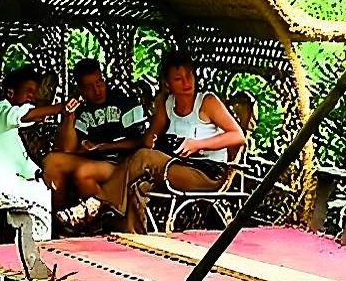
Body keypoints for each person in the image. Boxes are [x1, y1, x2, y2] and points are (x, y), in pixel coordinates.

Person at [56, 50, 245, 234]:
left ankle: (95, 204)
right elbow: (148, 140)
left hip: (207, 173)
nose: (187, 83)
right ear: (168, 83)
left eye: (189, 76)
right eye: (178, 79)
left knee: (144, 158)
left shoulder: (207, 102)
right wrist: (159, 110)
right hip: (175, 167)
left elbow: (238, 136)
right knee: (137, 187)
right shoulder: (168, 104)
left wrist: (197, 144)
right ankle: (131, 237)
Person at [0, 65, 79, 241]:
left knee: (40, 187)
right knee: (36, 192)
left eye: (35, 92)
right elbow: (22, 115)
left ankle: (34, 244)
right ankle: (36, 246)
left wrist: (39, 174)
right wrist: (60, 108)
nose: (32, 96)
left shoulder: (8, 129)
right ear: (10, 93)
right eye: (28, 91)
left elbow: (22, 161)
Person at [40, 58, 147, 212]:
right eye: (89, 87)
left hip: (121, 161)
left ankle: (110, 214)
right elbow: (68, 150)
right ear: (81, 89)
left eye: (99, 83)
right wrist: (70, 116)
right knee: (52, 161)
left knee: (83, 173)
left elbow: (140, 140)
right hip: (92, 159)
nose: (97, 90)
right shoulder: (82, 110)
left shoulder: (124, 101)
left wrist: (104, 147)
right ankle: (57, 221)